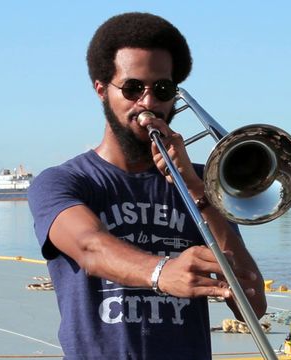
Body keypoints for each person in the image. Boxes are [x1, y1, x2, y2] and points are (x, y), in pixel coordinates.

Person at [28, 12, 266, 359]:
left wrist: (195, 187)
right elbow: (89, 247)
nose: (148, 102)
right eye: (132, 88)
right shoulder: (63, 182)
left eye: (162, 89)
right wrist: (161, 272)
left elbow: (253, 305)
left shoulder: (203, 184)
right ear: (101, 89)